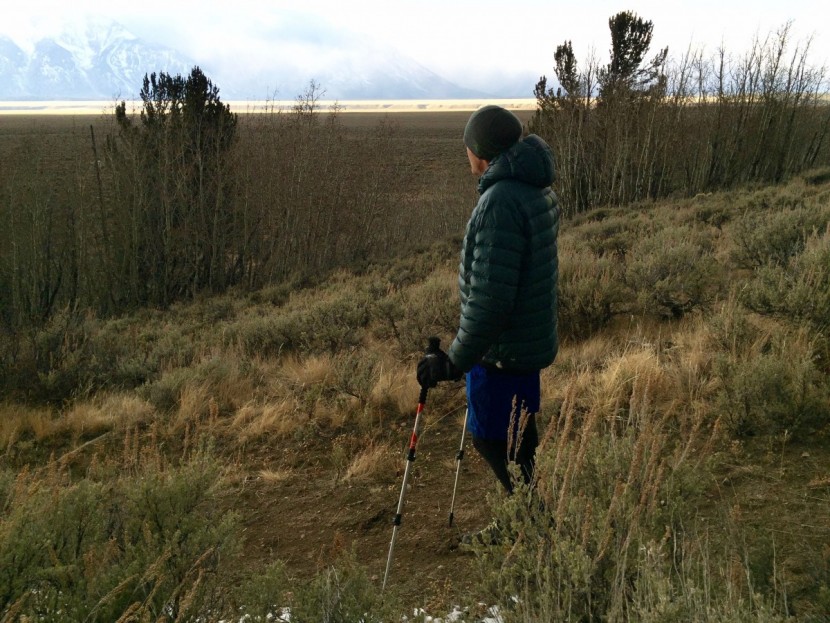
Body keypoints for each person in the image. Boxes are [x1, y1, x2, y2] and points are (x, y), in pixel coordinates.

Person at [417, 104, 560, 506]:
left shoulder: (500, 201)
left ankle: (534, 530)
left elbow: (490, 302)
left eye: (468, 147)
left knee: (492, 439)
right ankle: (525, 522)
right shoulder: (533, 187)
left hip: (502, 353)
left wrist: (453, 362)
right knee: (519, 437)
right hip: (525, 345)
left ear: (481, 152)